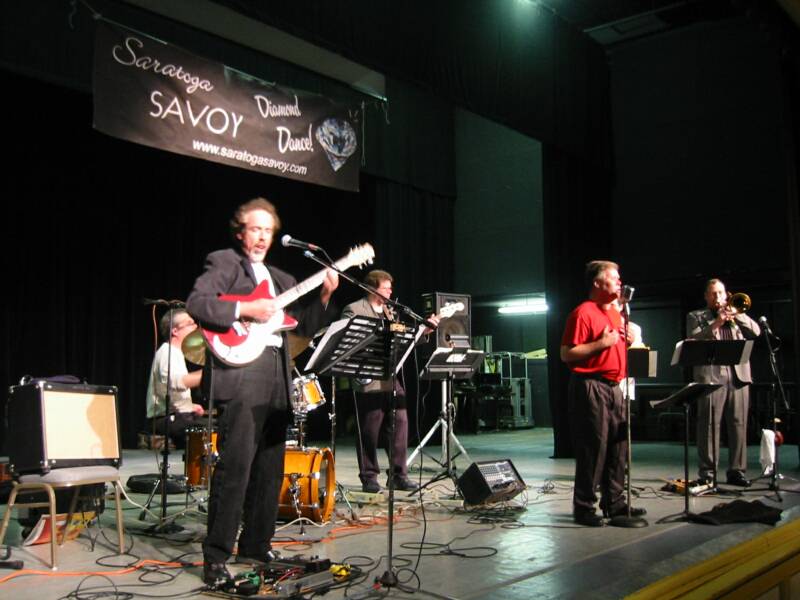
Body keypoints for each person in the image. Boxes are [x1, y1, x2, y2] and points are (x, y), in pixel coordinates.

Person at [186, 198, 338, 586]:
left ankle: (257, 543)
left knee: (271, 466)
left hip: (276, 370)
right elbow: (199, 303)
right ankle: (216, 556)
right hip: (243, 370)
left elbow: (302, 325)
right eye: (255, 229)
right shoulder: (223, 262)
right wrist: (244, 310)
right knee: (235, 466)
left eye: (267, 231)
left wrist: (323, 296)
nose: (261, 237)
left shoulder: (283, 279)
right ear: (240, 232)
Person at [560, 260, 646, 526]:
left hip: (615, 386)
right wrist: (602, 343)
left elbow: (619, 347)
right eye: (613, 277)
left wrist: (629, 340)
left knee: (619, 447)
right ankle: (584, 507)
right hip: (591, 386)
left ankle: (616, 503)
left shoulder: (617, 313)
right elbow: (567, 354)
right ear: (597, 282)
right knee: (593, 448)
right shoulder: (583, 312)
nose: (619, 281)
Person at [341, 270, 435, 493]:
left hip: (390, 376)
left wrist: (424, 331)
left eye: (391, 288)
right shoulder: (354, 309)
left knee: (400, 424)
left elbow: (402, 340)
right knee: (369, 428)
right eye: (386, 287)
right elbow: (346, 341)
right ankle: (369, 476)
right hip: (368, 376)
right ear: (373, 288)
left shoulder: (390, 312)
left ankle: (398, 475)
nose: (390, 291)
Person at [687, 278, 760, 487]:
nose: (718, 297)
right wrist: (717, 322)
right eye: (713, 294)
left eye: (721, 293)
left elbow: (756, 332)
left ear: (726, 294)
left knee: (739, 424)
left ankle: (737, 471)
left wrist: (739, 314)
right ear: (706, 296)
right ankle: (708, 474)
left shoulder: (736, 315)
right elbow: (694, 337)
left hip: (738, 375)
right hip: (711, 376)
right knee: (708, 425)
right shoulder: (696, 316)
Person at [145, 309, 204, 448]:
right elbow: (174, 383)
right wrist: (211, 375)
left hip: (176, 415)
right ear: (175, 331)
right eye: (190, 323)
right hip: (164, 419)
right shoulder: (167, 351)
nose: (195, 327)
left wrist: (190, 406)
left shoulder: (176, 353)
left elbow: (172, 393)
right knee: (219, 430)